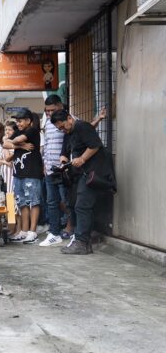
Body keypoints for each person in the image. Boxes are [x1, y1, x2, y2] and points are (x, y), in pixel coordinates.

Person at [51, 109, 113, 255]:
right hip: (83, 174)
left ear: (69, 118)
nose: (61, 130)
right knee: (79, 206)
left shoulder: (81, 126)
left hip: (93, 173)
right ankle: (83, 242)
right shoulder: (73, 131)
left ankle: (82, 242)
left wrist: (82, 159)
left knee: (82, 206)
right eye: (58, 128)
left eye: (62, 126)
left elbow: (95, 145)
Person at [4, 108, 43, 243]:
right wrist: (21, 147)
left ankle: (33, 232)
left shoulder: (32, 130)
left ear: (28, 120)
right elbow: (5, 144)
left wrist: (15, 142)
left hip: (32, 172)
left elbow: (15, 140)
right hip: (18, 173)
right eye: (17, 121)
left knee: (34, 202)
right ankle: (24, 231)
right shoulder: (19, 131)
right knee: (22, 203)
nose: (18, 124)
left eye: (20, 121)